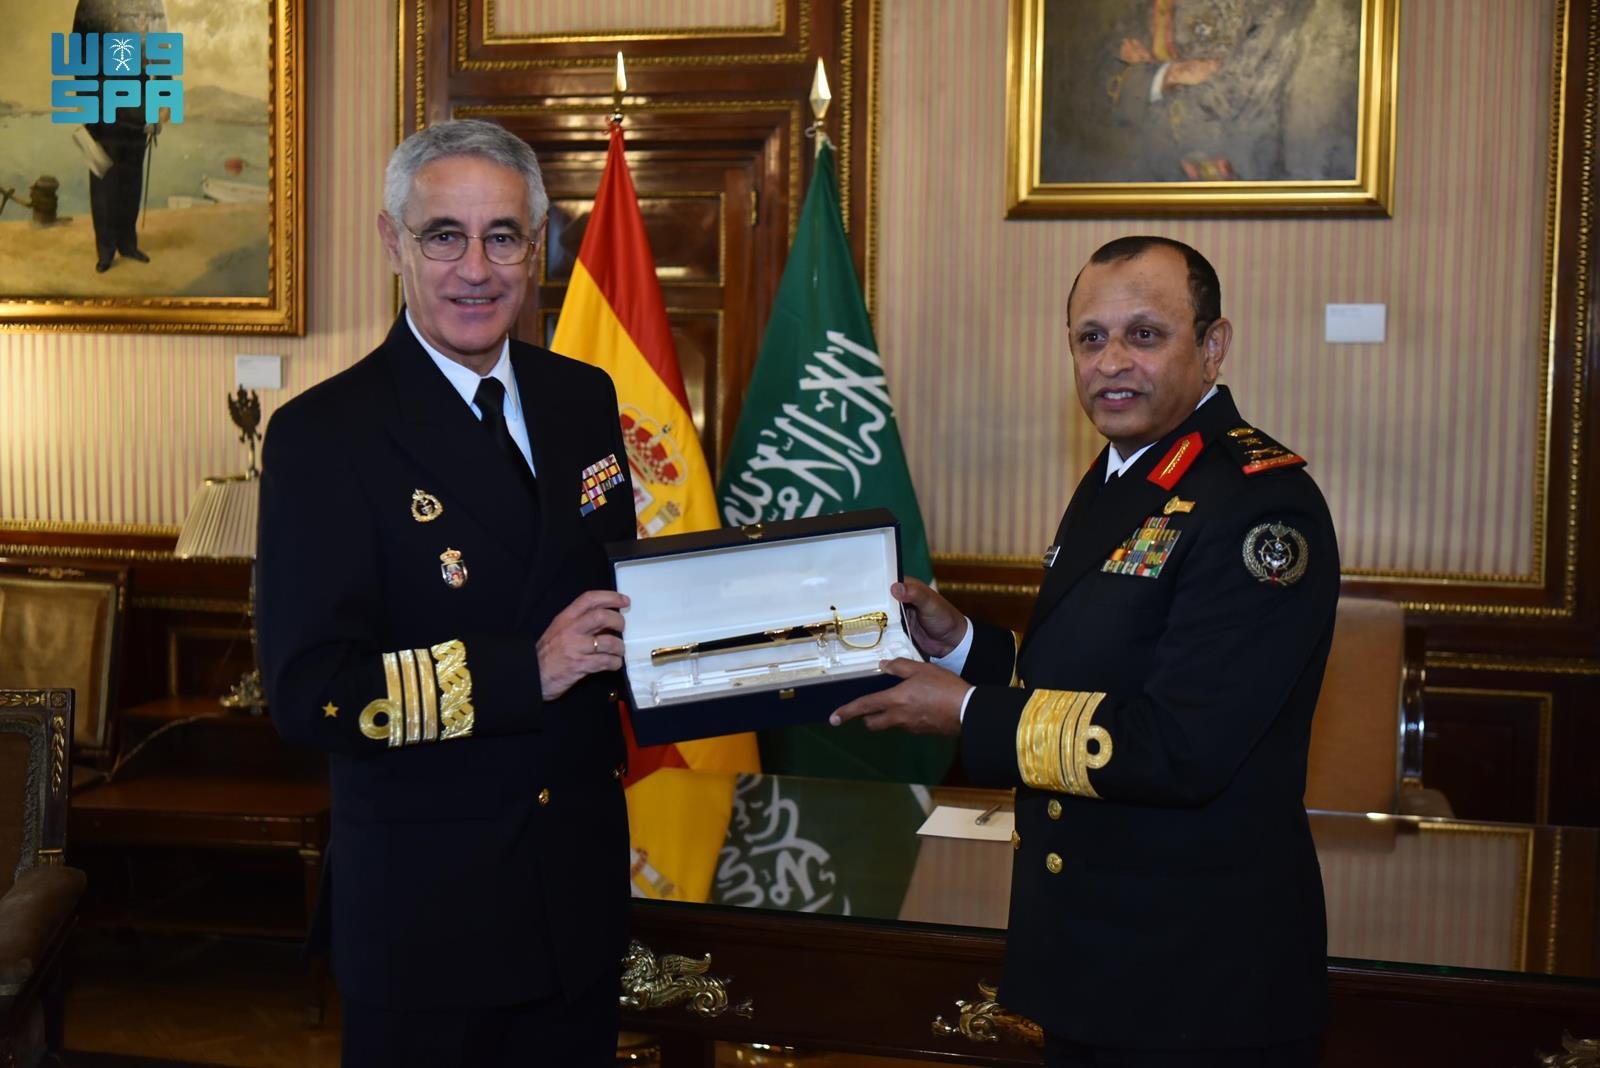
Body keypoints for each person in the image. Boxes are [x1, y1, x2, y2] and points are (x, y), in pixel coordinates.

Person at [833, 236, 1338, 1066]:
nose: (1111, 363)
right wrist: (963, 647)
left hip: (1199, 980)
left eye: (1145, 335)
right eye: (1090, 337)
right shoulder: (1130, 471)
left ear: (1213, 346)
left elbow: (1179, 746)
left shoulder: (1257, 505)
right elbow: (1089, 674)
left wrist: (966, 713)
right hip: (1099, 957)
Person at [257, 119, 635, 1067]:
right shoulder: (325, 435)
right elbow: (309, 691)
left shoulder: (582, 398)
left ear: (537, 245)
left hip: (578, 901)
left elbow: (615, 599)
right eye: (444, 237)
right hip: (431, 921)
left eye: (502, 236)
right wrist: (521, 673)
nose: (476, 269)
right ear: (393, 242)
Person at [71, 0, 167, 272]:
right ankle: (106, 250)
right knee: (105, 179)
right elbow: (79, 51)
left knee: (131, 177)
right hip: (103, 102)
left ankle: (128, 243)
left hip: (138, 101)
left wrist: (163, 100)